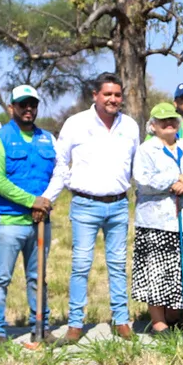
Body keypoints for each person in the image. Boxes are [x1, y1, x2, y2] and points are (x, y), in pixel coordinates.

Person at [50, 73, 140, 344]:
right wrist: (64, 189)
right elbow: (60, 162)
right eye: (107, 94)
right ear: (95, 95)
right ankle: (75, 324)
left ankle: (121, 320)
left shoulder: (130, 126)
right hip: (85, 205)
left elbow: (136, 164)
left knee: (117, 265)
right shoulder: (76, 123)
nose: (113, 99)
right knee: (80, 265)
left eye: (117, 94)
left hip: (119, 204)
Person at [0, 85, 60, 341]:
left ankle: (40, 327)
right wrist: (32, 202)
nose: (28, 109)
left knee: (38, 277)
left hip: (41, 222)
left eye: (32, 104)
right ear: (11, 107)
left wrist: (45, 202)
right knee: (1, 278)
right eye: (22, 104)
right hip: (8, 222)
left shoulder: (47, 138)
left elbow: (59, 174)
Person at [132, 103, 183, 333]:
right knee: (158, 273)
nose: (168, 123)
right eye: (162, 120)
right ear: (153, 126)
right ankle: (158, 322)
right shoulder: (146, 150)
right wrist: (176, 179)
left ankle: (176, 316)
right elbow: (143, 180)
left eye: (172, 119)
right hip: (157, 223)